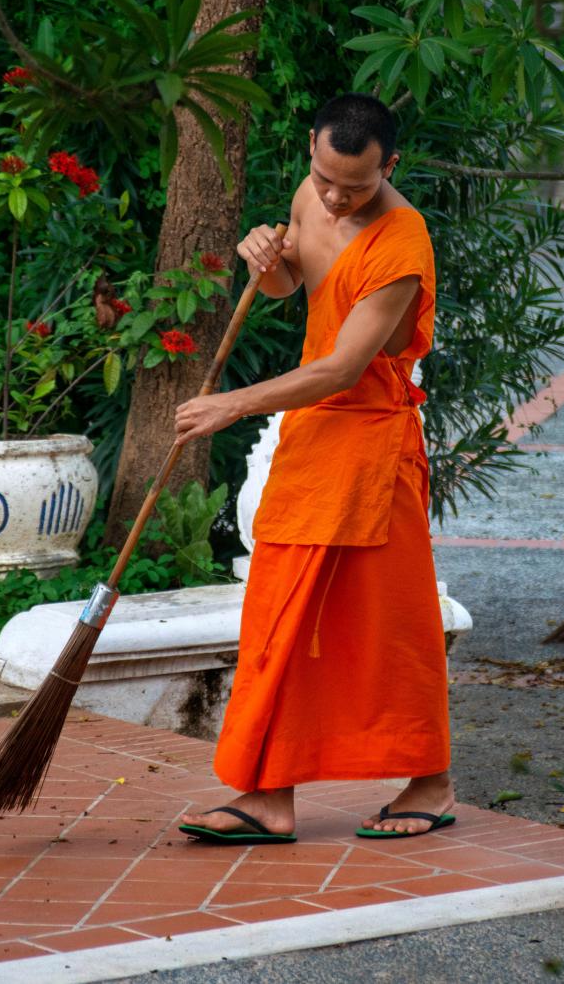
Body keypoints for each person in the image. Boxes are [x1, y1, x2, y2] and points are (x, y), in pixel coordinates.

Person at [170, 93, 455, 842]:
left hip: (372, 447)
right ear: (312, 151)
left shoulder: (403, 243)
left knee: (389, 626)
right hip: (314, 444)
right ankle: (268, 794)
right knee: (280, 613)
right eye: (324, 178)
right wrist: (265, 257)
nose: (333, 197)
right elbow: (287, 283)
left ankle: (430, 779)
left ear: (389, 166)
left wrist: (232, 405)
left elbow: (341, 368)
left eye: (354, 187)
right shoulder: (311, 190)